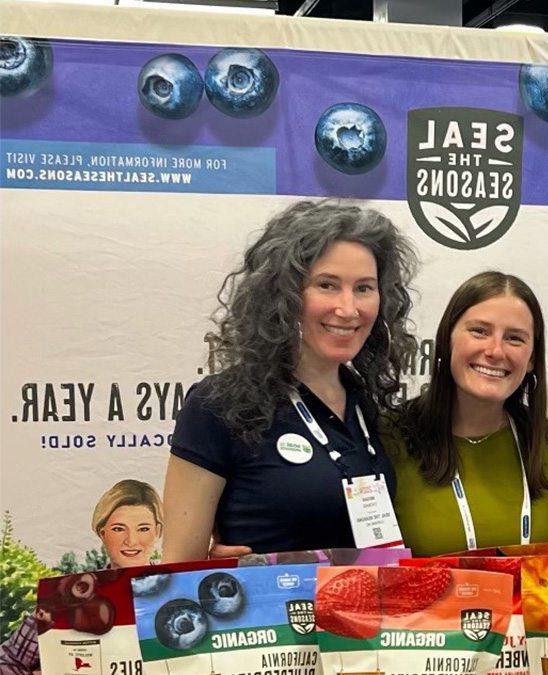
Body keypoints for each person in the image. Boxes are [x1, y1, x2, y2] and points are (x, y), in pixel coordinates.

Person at [162, 200, 418, 561]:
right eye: (327, 285)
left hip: (364, 612)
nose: (348, 309)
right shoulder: (219, 404)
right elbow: (177, 570)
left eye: (364, 288)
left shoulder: (363, 402)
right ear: (283, 294)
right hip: (268, 617)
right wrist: (214, 572)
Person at [384, 272, 548, 556]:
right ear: (446, 340)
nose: (495, 351)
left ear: (531, 359)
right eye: (479, 331)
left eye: (515, 338)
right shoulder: (387, 438)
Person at [0, 480, 164, 675]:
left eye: (143, 528)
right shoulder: (64, 599)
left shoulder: (184, 591)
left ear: (158, 531)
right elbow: (7, 660)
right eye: (119, 529)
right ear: (102, 533)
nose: (131, 540)